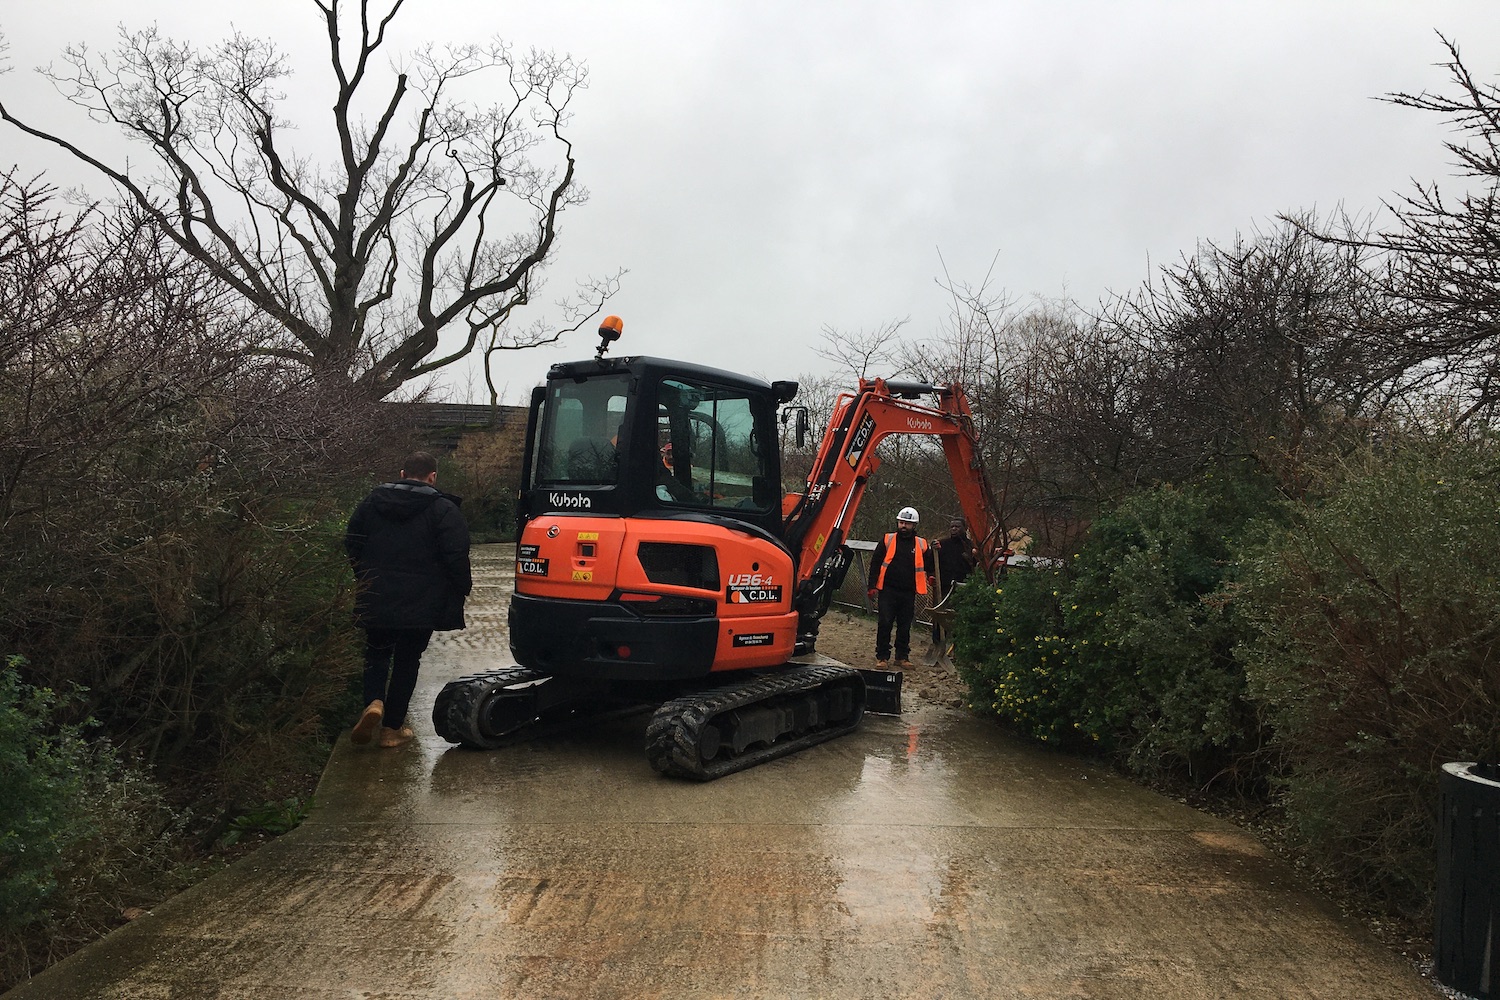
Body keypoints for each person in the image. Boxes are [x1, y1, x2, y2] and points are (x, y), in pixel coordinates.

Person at [344, 451, 472, 748]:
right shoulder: (443, 509)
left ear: (402, 474)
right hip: (422, 601)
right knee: (407, 660)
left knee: (376, 654)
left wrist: (363, 575)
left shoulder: (372, 502)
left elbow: (352, 540)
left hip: (376, 593)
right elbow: (456, 555)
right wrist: (462, 588)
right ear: (432, 477)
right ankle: (391, 729)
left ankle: (374, 703)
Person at [866, 506, 935, 669]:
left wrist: (931, 575)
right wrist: (872, 586)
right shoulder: (887, 540)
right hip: (887, 590)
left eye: (907, 523)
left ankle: (902, 656)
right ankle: (882, 656)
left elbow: (929, 564)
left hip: (908, 591)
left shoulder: (921, 544)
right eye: (901, 522)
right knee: (885, 622)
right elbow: (875, 564)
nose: (904, 526)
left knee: (905, 625)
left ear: (914, 525)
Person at [931, 516, 980, 642]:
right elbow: (930, 562)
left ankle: (958, 646)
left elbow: (977, 565)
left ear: (964, 529)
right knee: (940, 615)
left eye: (957, 527)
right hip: (944, 587)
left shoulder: (970, 547)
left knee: (960, 617)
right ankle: (938, 643)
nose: (954, 529)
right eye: (952, 527)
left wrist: (976, 556)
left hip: (963, 588)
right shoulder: (942, 545)